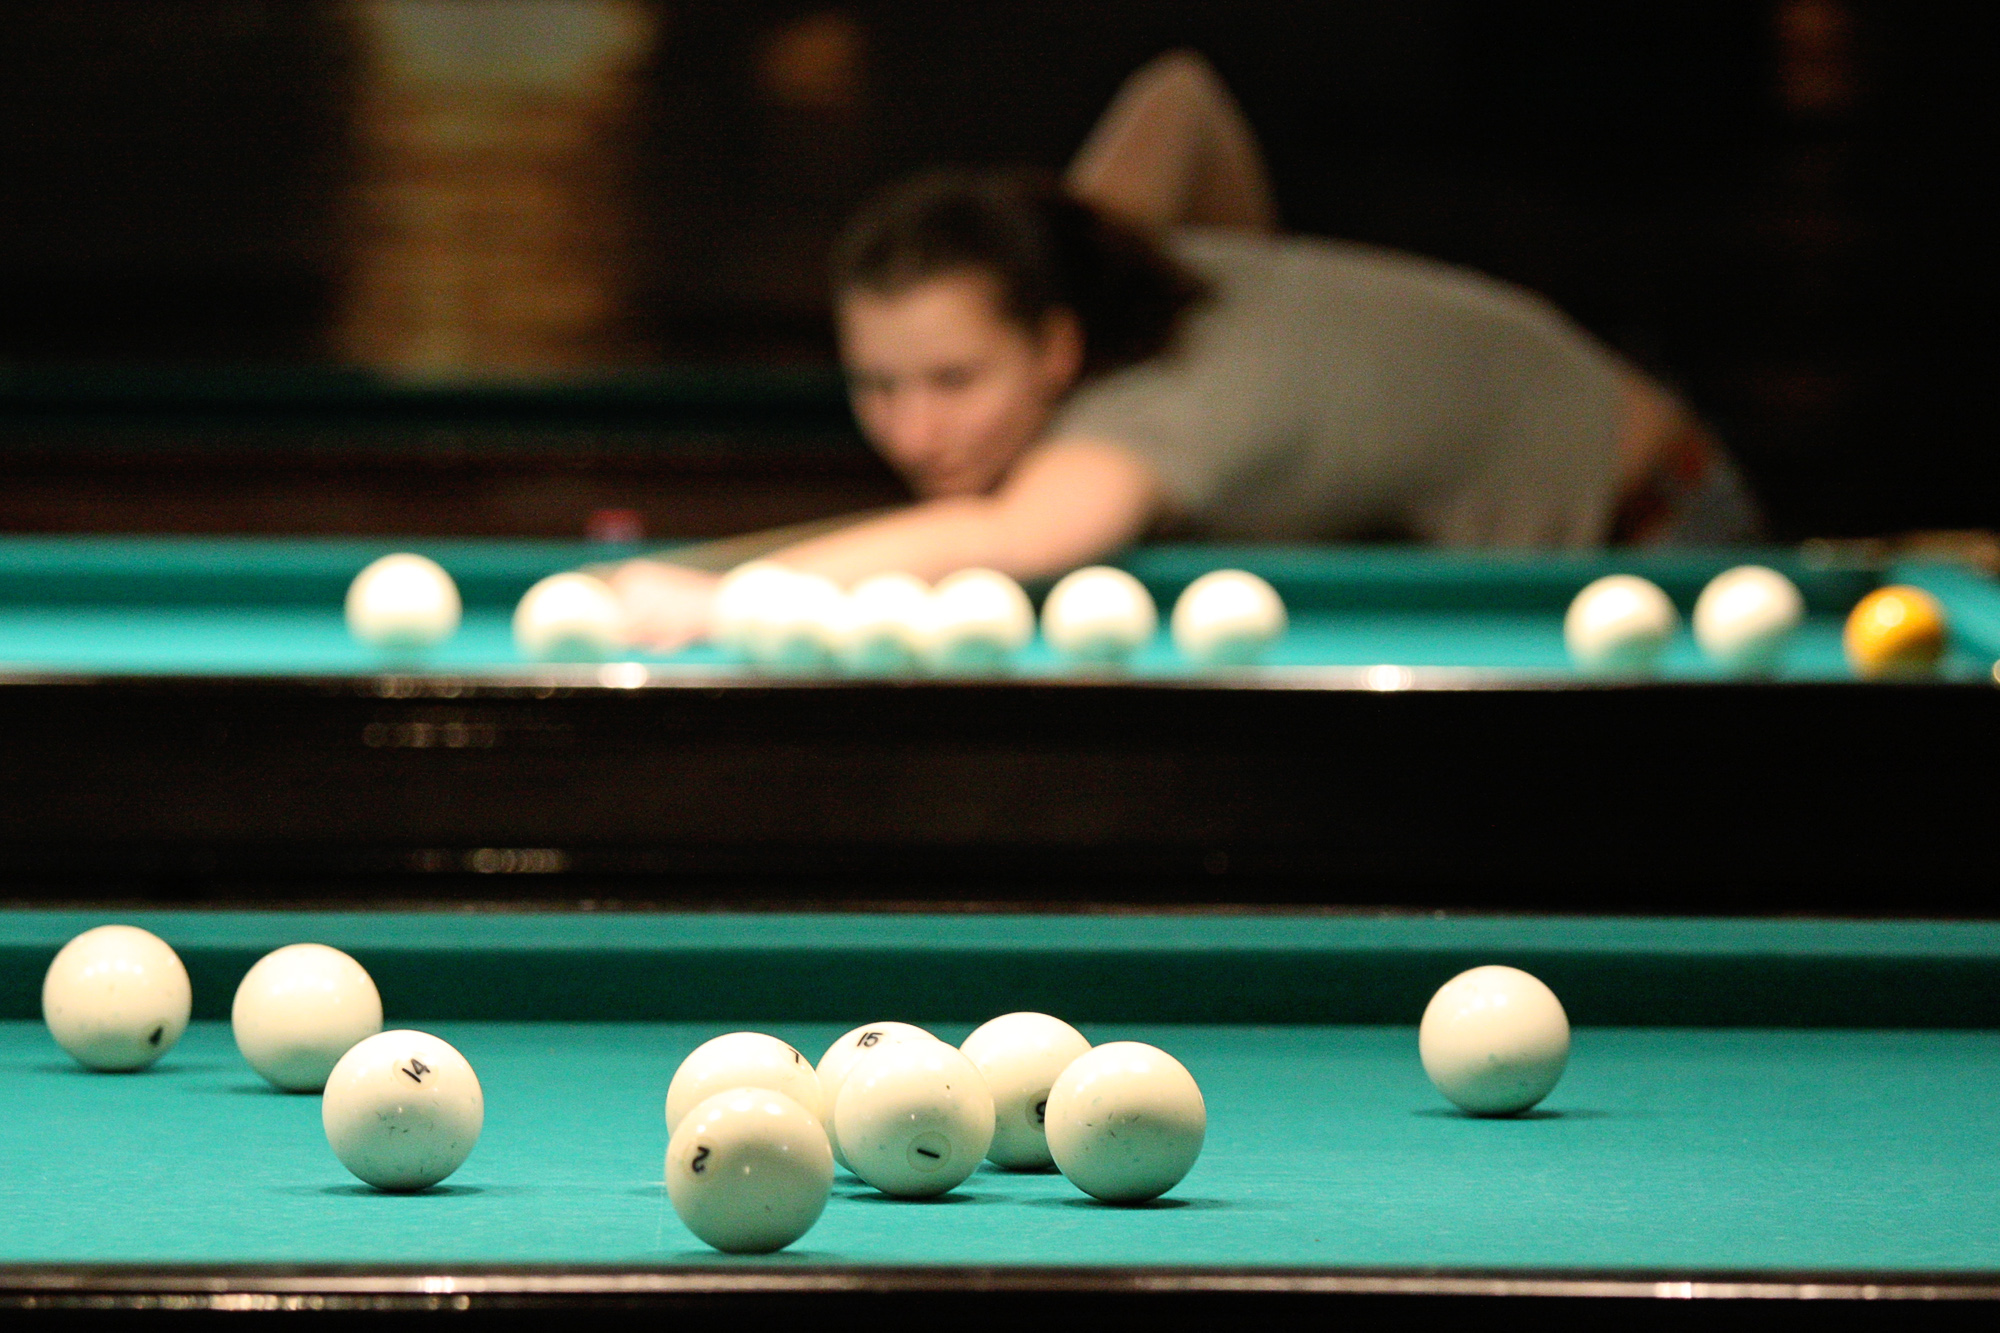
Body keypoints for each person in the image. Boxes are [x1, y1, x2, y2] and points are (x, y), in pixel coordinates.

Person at [611, 51, 1759, 649]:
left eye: (955, 380)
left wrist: (720, 596)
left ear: (1055, 350)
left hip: (1666, 529)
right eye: (877, 384)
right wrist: (1232, 268)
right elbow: (1181, 95)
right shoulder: (1104, 252)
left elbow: (1006, 536)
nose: (914, 430)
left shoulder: (1141, 419)